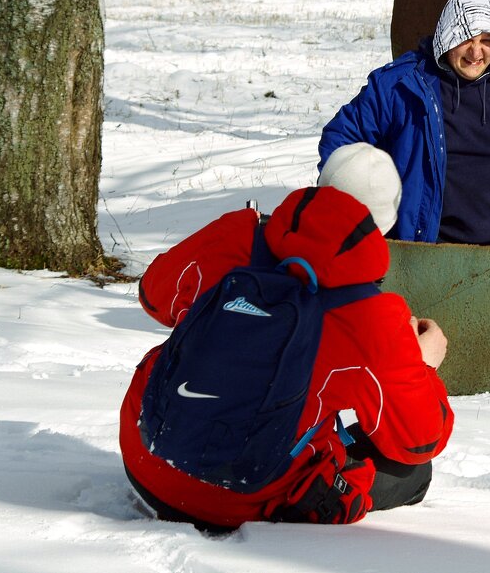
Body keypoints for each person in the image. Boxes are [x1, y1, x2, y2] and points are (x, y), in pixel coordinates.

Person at [119, 143, 454, 531]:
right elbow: (418, 441)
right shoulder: (373, 317)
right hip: (244, 498)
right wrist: (422, 364)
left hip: (146, 455)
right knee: (412, 474)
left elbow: (153, 296)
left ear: (321, 188)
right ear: (383, 225)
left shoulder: (238, 233)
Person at [318, 0, 490, 246]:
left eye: (486, 40)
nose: (476, 52)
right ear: (446, 36)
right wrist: (351, 207)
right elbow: (341, 137)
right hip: (427, 250)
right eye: (465, 39)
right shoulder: (401, 86)